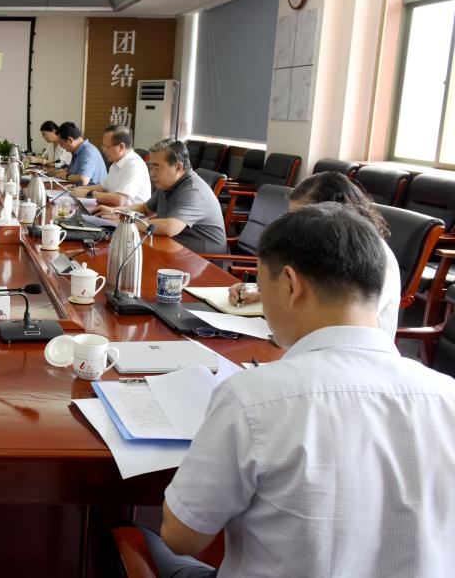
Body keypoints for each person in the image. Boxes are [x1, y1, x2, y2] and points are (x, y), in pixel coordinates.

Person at [140, 203, 455, 577]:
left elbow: (182, 537)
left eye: (262, 285)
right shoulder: (447, 396)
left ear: (290, 283)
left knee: (135, 536)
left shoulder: (253, 398)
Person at [228, 171, 401, 339]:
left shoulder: (374, 255)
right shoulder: (323, 244)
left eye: (304, 218)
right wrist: (262, 291)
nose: (295, 227)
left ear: (333, 214)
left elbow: (340, 313)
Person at [104, 138, 227, 254]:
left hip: (202, 261)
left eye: (156, 168)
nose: (152, 174)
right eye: (150, 167)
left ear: (178, 167)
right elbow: (145, 209)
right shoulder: (168, 183)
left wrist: (126, 223)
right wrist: (114, 211)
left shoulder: (194, 191)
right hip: (173, 249)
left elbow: (171, 227)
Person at [71, 125, 150, 207]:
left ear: (121, 147)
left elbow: (120, 199)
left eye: (106, 146)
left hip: (130, 214)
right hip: (114, 210)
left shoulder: (134, 165)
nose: (103, 150)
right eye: (103, 146)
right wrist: (78, 189)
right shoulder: (116, 163)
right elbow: (104, 188)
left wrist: (88, 194)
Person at [53, 121, 105, 186]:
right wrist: (59, 172)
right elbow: (71, 171)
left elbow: (83, 180)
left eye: (61, 143)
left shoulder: (88, 151)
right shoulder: (76, 151)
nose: (61, 146)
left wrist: (67, 176)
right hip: (78, 189)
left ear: (70, 140)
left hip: (91, 191)